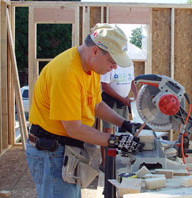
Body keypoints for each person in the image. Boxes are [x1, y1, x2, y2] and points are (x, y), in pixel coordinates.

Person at [26, 23, 145, 198]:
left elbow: (96, 104)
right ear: (96, 51)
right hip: (51, 153)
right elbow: (73, 128)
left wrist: (125, 124)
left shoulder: (91, 68)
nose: (114, 68)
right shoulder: (66, 72)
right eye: (112, 62)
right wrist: (116, 141)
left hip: (66, 151)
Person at [99, 64, 138, 171]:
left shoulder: (129, 63)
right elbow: (104, 86)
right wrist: (122, 99)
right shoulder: (110, 63)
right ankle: (105, 163)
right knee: (108, 132)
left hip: (123, 102)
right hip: (109, 101)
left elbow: (132, 82)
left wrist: (136, 97)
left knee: (124, 131)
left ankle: (123, 160)